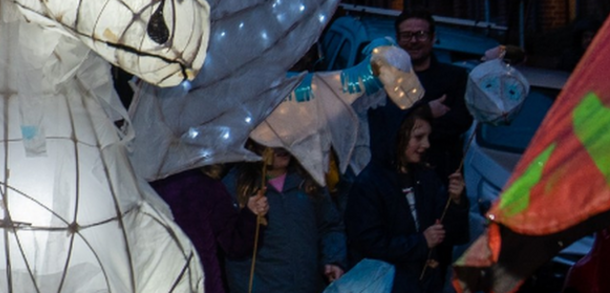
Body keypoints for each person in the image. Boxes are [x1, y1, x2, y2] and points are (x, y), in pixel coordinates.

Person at [346, 107, 468, 293]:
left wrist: (457, 201)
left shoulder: (427, 177)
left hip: (425, 282)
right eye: (418, 137)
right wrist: (420, 242)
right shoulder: (369, 185)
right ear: (397, 136)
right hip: (385, 285)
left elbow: (450, 234)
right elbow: (368, 244)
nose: (426, 144)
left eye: (428, 137)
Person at [223, 145, 346, 293]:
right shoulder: (235, 187)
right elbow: (229, 245)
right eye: (272, 142)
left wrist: (332, 260)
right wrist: (248, 216)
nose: (282, 146)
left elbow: (330, 226)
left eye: (286, 138)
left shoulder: (308, 181)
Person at [369, 9, 469, 182]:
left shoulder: (455, 77)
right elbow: (379, 125)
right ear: (398, 39)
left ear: (433, 37)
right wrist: (427, 111)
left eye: (421, 34)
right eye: (407, 35)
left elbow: (460, 122)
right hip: (394, 177)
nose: (413, 41)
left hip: (441, 176)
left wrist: (405, 123)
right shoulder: (384, 80)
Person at [149, 165, 267, 293]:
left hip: (198, 283)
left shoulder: (204, 186)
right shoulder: (139, 190)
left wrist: (250, 215)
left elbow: (234, 242)